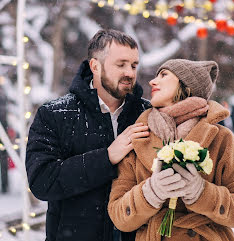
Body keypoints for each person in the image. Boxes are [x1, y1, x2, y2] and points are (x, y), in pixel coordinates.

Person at [108, 59, 234, 241]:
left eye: (163, 75)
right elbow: (119, 217)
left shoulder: (221, 139)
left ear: (187, 85)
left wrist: (203, 193)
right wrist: (150, 193)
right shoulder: (139, 136)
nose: (152, 82)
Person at [26, 29, 151, 241]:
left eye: (133, 65)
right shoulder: (54, 114)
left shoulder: (149, 115)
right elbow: (42, 181)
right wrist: (107, 157)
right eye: (120, 65)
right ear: (95, 66)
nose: (130, 73)